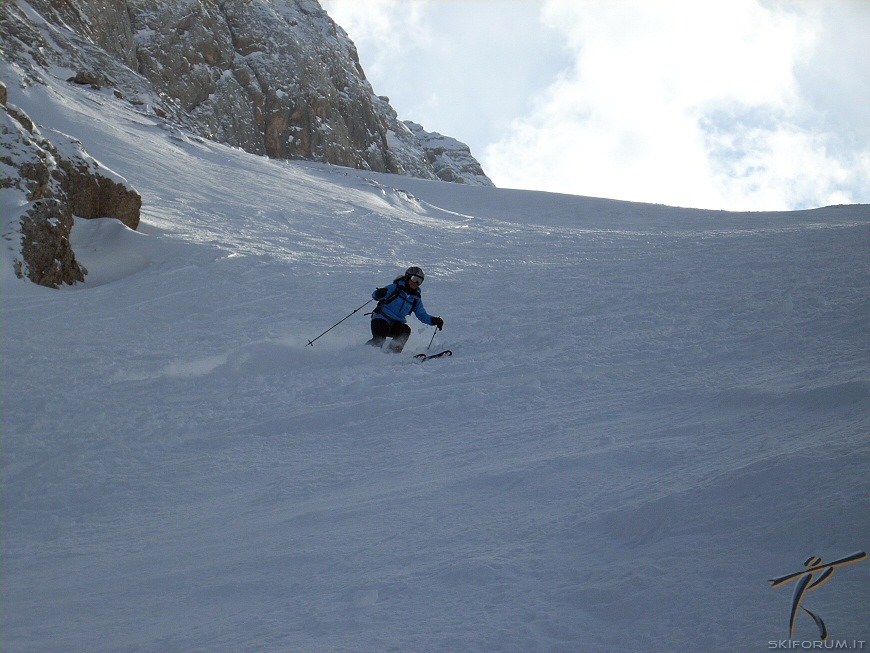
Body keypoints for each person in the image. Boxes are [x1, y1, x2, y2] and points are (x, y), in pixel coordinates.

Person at [367, 266, 444, 352]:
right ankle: (364, 353)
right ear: (407, 276)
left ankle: (391, 354)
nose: (416, 283)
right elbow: (375, 296)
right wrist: (379, 293)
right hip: (381, 318)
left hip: (396, 323)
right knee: (379, 339)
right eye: (414, 278)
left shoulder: (415, 298)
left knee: (405, 330)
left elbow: (422, 314)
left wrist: (434, 320)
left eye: (419, 281)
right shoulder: (395, 287)